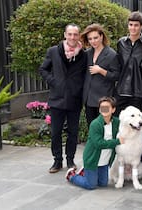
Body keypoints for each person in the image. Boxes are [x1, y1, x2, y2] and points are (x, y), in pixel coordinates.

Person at [39, 23, 87, 173]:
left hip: (74, 99)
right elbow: (43, 69)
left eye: (75, 34)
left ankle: (70, 160)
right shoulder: (53, 51)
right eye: (70, 34)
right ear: (65, 35)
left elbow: (85, 75)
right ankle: (57, 161)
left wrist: (79, 88)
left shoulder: (83, 54)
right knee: (55, 132)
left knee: (73, 132)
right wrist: (54, 82)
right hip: (57, 98)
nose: (72, 37)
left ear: (78, 36)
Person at [65, 97, 123, 190]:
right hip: (93, 159)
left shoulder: (116, 122)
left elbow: (129, 123)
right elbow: (98, 144)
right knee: (90, 185)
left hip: (104, 161)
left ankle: (86, 173)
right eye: (102, 107)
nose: (104, 109)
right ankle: (72, 175)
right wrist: (117, 141)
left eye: (107, 107)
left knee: (103, 184)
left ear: (113, 109)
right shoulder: (95, 124)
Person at [81, 23, 120, 126]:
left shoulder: (111, 54)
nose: (93, 41)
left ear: (101, 36)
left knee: (105, 128)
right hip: (89, 99)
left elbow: (116, 76)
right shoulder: (87, 53)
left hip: (105, 98)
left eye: (95, 38)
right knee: (92, 127)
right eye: (90, 39)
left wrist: (101, 70)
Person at [114, 11, 142, 115]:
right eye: (131, 25)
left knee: (135, 124)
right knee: (118, 121)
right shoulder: (121, 43)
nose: (133, 28)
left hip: (138, 93)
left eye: (136, 25)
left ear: (141, 26)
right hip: (121, 90)